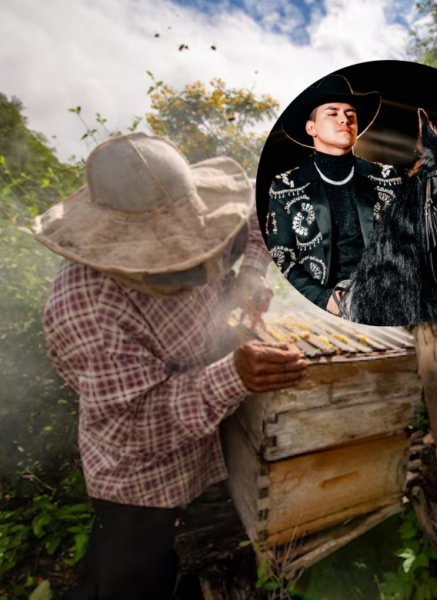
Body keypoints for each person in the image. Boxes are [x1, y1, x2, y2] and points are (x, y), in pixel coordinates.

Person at [32, 133, 308, 600]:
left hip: (210, 435)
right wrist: (233, 376)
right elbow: (137, 426)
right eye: (174, 262)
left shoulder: (205, 207)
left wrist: (252, 275)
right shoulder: (88, 309)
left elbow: (261, 219)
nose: (199, 269)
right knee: (129, 580)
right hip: (140, 482)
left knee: (213, 553)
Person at [264, 74, 401, 316]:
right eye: (332, 113)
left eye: (350, 115)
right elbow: (280, 256)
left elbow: (409, 244)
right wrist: (323, 298)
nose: (344, 119)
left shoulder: (388, 178)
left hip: (389, 300)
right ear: (311, 127)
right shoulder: (285, 185)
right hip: (321, 306)